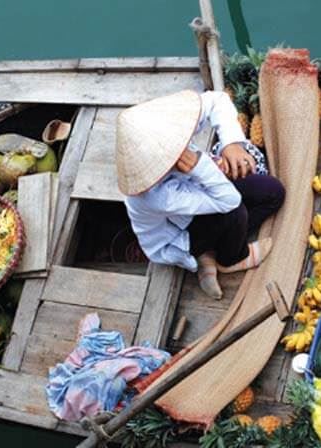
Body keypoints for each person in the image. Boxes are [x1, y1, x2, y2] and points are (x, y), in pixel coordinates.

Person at [116, 89, 285, 299]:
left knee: (273, 192)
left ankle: (213, 250)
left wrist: (231, 143)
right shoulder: (156, 195)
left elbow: (217, 100)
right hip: (181, 234)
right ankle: (229, 258)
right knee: (235, 213)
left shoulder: (165, 127)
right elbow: (229, 201)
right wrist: (199, 165)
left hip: (197, 193)